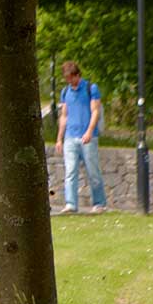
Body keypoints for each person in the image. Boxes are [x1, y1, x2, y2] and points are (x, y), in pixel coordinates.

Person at [55, 61, 107, 213]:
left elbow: (95, 111)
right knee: (70, 172)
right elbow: (64, 116)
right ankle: (71, 204)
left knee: (93, 171)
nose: (69, 81)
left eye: (71, 78)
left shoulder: (91, 88)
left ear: (77, 75)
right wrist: (59, 138)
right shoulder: (66, 92)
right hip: (70, 137)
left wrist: (89, 131)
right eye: (67, 78)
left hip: (87, 137)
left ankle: (99, 203)